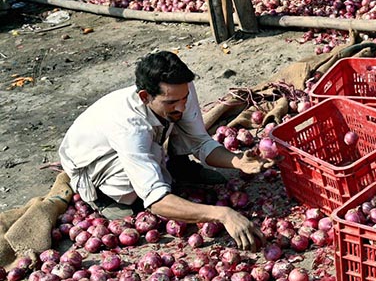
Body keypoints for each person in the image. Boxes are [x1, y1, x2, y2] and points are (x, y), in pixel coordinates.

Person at [58, 50, 270, 251]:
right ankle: (103, 198)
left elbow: (199, 142)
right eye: (171, 102)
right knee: (136, 190)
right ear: (144, 97)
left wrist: (237, 161)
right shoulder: (129, 128)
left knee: (173, 122)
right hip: (92, 164)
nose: (181, 106)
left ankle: (178, 166)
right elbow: (156, 202)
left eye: (184, 98)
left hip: (142, 138)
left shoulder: (180, 90)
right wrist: (223, 214)